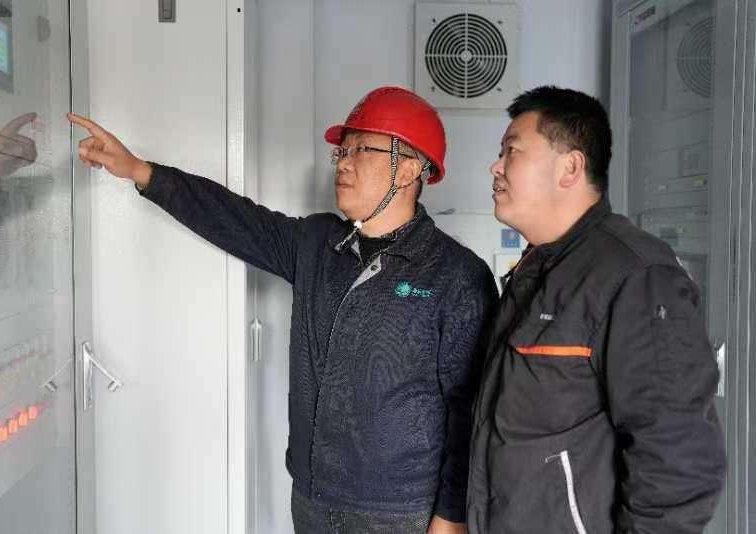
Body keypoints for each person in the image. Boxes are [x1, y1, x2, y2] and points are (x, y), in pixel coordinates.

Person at [68, 86, 499, 534]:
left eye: (361, 149)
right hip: (313, 498)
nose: (343, 162)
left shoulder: (456, 276)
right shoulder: (318, 244)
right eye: (342, 151)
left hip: (400, 510)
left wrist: (452, 516)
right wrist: (140, 171)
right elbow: (232, 218)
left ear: (408, 169)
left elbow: (470, 410)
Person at [467, 85, 725, 533]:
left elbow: (679, 463)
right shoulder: (539, 266)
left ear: (570, 167)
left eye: (512, 151)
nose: (496, 166)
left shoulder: (635, 275)